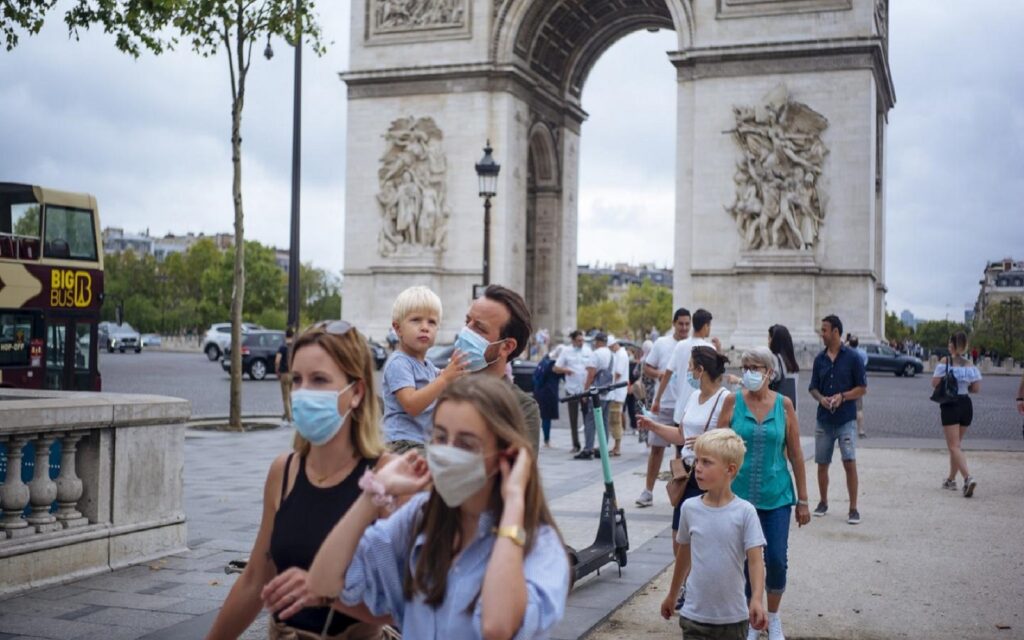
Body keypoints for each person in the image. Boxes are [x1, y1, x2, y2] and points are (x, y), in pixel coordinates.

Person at [308, 376, 570, 639]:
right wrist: (374, 492)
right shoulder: (420, 517)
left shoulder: (541, 547)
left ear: (507, 456)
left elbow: (497, 627)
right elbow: (323, 582)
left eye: (466, 444)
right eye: (440, 437)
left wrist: (514, 500)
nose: (446, 452)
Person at [206, 321, 387, 639]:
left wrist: (331, 595)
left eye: (319, 380)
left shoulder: (387, 476)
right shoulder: (284, 472)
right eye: (297, 380)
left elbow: (416, 604)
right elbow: (254, 580)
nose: (304, 393)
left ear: (356, 392)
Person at [717, 347, 811, 640]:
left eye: (756, 367)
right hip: (739, 497)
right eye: (746, 366)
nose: (749, 372)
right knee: (747, 560)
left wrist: (804, 500)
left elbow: (795, 455)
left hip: (777, 495)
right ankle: (751, 617)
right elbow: (717, 448)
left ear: (770, 373)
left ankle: (773, 615)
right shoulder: (733, 402)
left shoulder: (784, 406)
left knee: (776, 559)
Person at [659, 429, 767, 640]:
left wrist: (756, 599)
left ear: (730, 469)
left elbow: (755, 562)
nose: (697, 468)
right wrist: (672, 595)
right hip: (694, 615)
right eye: (697, 461)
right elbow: (683, 556)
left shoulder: (745, 512)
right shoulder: (689, 508)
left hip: (734, 619)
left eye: (707, 462)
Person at [638, 346, 731, 558]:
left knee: (703, 540)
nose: (687, 372)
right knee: (678, 537)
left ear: (700, 370)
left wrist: (706, 442)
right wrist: (653, 426)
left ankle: (697, 586)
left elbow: (730, 440)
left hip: (708, 477)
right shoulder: (693, 396)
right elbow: (681, 435)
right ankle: (684, 586)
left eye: (690, 367)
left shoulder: (725, 399)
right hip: (687, 474)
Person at [381, 286, 468, 454]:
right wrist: (444, 380)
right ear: (397, 328)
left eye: (432, 322)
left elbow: (441, 387)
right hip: (402, 443)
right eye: (416, 320)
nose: (424, 327)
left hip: (423, 443)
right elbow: (412, 405)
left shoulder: (428, 366)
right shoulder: (398, 363)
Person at [457, 284, 542, 453]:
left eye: (479, 328)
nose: (466, 332)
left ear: (507, 346)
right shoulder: (438, 387)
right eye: (467, 322)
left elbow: (519, 474)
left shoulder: (521, 407)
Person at [807, 315, 867, 525]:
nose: (821, 334)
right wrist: (821, 398)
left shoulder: (853, 358)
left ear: (835, 332)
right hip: (824, 419)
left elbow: (862, 388)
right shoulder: (819, 360)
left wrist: (843, 397)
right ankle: (823, 502)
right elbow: (813, 387)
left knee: (849, 462)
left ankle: (853, 508)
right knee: (822, 463)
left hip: (846, 419)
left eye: (824, 330)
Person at [637, 308, 691, 507]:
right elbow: (647, 368)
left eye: (687, 324)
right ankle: (648, 491)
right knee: (657, 449)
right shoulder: (661, 343)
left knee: (682, 452)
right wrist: (660, 374)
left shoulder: (692, 345)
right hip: (665, 405)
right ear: (674, 323)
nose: (684, 328)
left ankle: (679, 492)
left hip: (685, 405)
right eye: (681, 324)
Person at [933, 331, 982, 497]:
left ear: (952, 345)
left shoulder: (945, 362)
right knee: (957, 446)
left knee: (953, 446)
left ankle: (968, 478)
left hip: (950, 404)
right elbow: (976, 388)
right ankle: (951, 479)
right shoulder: (970, 364)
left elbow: (935, 383)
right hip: (966, 404)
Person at [661, 309, 720, 427]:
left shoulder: (680, 345)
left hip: (680, 412)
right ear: (705, 326)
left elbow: (667, 373)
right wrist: (718, 351)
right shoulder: (710, 349)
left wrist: (657, 399)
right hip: (701, 413)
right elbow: (716, 378)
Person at [553, 330, 595, 453]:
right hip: (571, 389)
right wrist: (566, 370)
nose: (581, 342)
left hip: (585, 389)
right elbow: (556, 368)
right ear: (573, 341)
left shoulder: (588, 350)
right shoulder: (566, 351)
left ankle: (588, 444)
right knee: (573, 418)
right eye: (578, 340)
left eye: (582, 340)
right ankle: (575, 444)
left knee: (588, 417)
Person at [576, 332, 613, 460]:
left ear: (597, 341)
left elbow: (591, 374)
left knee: (590, 421)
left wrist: (585, 392)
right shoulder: (610, 353)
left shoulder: (596, 354)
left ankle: (588, 449)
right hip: (607, 393)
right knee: (604, 422)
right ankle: (603, 448)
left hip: (596, 394)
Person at [532, 349, 562, 448]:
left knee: (543, 417)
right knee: (546, 418)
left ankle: (545, 440)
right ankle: (546, 440)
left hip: (539, 392)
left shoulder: (543, 361)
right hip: (549, 393)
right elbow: (561, 373)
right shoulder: (553, 364)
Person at [607, 337, 630, 456]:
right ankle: (616, 446)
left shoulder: (621, 355)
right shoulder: (620, 354)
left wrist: (608, 385)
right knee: (615, 419)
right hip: (617, 392)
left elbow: (618, 373)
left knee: (616, 420)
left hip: (618, 393)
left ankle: (617, 447)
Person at [767, 325, 799, 410]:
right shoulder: (791, 360)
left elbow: (765, 382)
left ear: (774, 341)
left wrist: (740, 381)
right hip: (791, 409)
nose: (768, 342)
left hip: (777, 409)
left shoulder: (775, 358)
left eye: (769, 338)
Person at [846, 334, 869, 438]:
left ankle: (846, 430)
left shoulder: (847, 353)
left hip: (847, 382)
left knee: (845, 407)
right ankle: (861, 431)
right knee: (859, 409)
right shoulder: (863, 353)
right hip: (859, 382)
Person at [276, 328, 295, 426]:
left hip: (284, 374)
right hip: (293, 373)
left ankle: (289, 418)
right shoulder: (294, 347)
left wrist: (277, 370)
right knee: (291, 396)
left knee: (285, 398)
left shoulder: (282, 347)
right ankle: (289, 413)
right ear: (293, 335)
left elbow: (277, 360)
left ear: (285, 335)